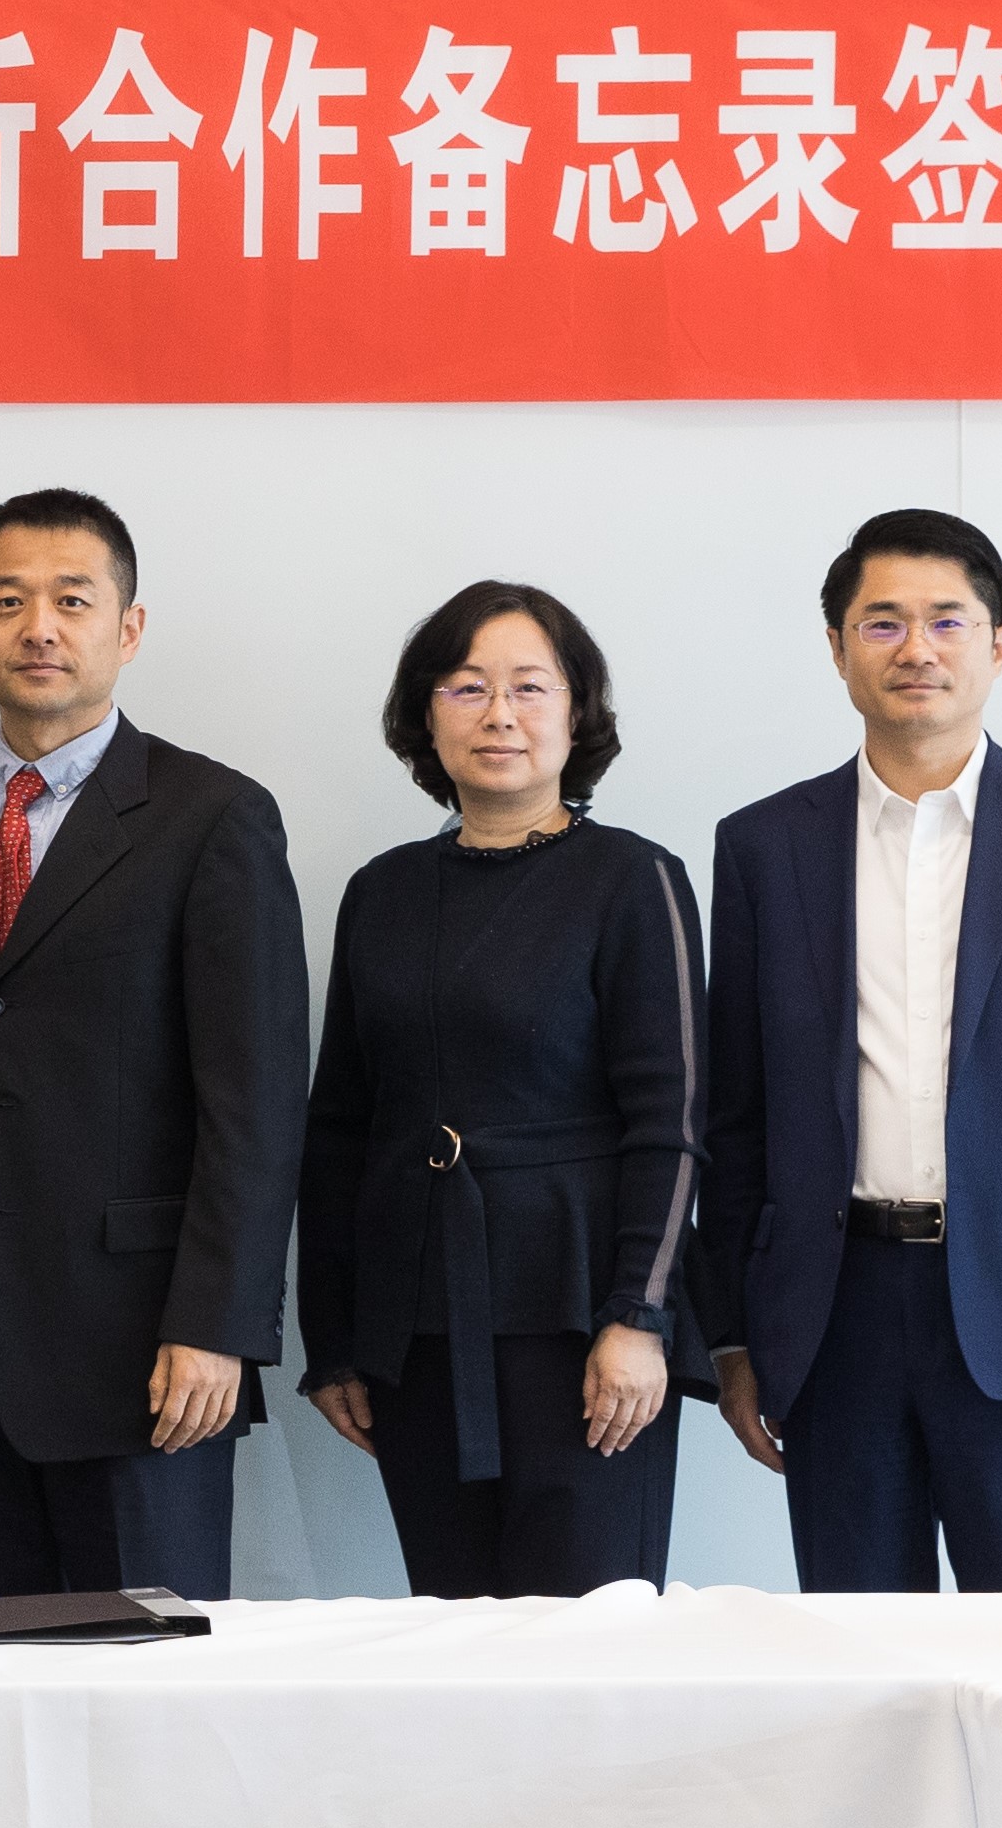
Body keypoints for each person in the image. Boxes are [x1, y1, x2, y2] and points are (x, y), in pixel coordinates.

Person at [0, 488, 306, 1601]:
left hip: (147, 1355)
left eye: (72, 600)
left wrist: (218, 1325)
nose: (38, 626)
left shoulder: (213, 815)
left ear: (128, 629)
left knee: (143, 1672)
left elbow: (254, 1102)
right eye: (8, 602)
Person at [703, 509, 1002, 1592]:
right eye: (882, 623)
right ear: (838, 649)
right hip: (832, 1313)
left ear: (998, 644)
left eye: (946, 620)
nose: (914, 647)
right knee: (861, 1646)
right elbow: (736, 1115)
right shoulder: (764, 845)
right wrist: (730, 1336)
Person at [297, 582, 709, 1597]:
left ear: (577, 712)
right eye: (467, 686)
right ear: (425, 714)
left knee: (587, 1629)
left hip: (582, 1322)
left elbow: (672, 1123)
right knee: (452, 1630)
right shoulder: (381, 891)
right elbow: (341, 1126)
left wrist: (639, 1318)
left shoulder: (634, 878)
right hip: (414, 1325)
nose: (499, 714)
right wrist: (333, 1339)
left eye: (530, 686)